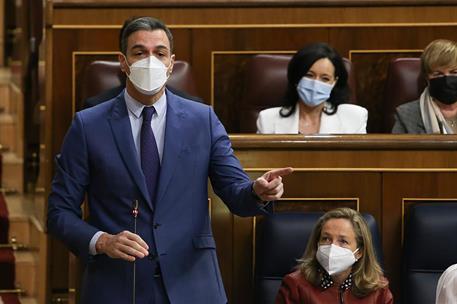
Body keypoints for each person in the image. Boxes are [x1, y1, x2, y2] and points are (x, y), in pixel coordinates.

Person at [47, 16, 293, 304]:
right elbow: (59, 212)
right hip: (116, 285)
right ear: (123, 62)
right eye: (139, 53)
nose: (150, 61)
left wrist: (258, 191)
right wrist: (102, 241)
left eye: (159, 53)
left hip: (193, 283)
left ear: (171, 63)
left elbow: (236, 192)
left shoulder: (203, 119)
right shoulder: (88, 125)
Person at [275, 208, 393, 304]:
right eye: (326, 239)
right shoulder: (296, 286)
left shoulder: (378, 291)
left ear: (359, 252)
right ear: (317, 244)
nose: (332, 247)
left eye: (343, 241)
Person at [256, 43, 367, 134]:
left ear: (334, 82)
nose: (315, 83)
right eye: (309, 75)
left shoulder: (354, 118)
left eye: (325, 78)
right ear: (296, 77)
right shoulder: (267, 120)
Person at [392, 39, 457, 134]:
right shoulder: (406, 115)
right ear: (427, 78)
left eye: (454, 72)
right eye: (438, 74)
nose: (447, 79)